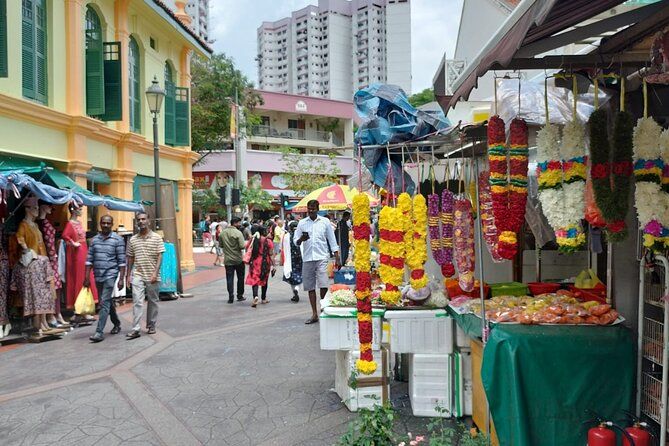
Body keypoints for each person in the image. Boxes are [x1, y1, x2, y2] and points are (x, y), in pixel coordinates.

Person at [294, 200, 340, 324]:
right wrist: (301, 239)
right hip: (308, 258)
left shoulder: (325, 222)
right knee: (310, 287)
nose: (311, 210)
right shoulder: (302, 223)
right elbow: (295, 241)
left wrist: (337, 256)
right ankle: (314, 314)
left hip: (322, 257)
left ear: (318, 208)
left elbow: (332, 239)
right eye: (309, 208)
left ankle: (323, 309)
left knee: (323, 284)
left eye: (313, 208)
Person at [85, 215, 126, 343]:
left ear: (112, 224)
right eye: (103, 223)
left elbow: (122, 262)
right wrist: (86, 277)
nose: (106, 225)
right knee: (107, 300)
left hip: (111, 274)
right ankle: (117, 323)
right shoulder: (94, 240)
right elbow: (89, 260)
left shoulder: (118, 240)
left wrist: (121, 279)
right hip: (98, 274)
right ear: (100, 224)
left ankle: (99, 332)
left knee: (104, 302)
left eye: (108, 223)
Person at [126, 212, 165, 339]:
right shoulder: (133, 239)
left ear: (148, 221)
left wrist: (155, 273)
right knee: (137, 301)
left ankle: (151, 324)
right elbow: (130, 258)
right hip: (138, 274)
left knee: (153, 301)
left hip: (153, 275)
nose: (141, 221)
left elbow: (160, 256)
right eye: (139, 220)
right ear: (136, 222)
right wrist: (128, 275)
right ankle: (136, 328)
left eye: (143, 219)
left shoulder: (156, 238)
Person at [245, 225, 275, 308]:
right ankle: (263, 298)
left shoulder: (253, 239)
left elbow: (247, 247)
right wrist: (273, 265)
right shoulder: (268, 241)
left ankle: (255, 297)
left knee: (255, 280)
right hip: (265, 262)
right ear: (264, 232)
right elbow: (271, 254)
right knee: (264, 279)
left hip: (255, 262)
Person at [220, 217, 246, 303]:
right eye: (239, 223)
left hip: (228, 260)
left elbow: (221, 245)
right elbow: (242, 246)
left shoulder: (222, 233)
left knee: (229, 278)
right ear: (235, 223)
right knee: (240, 277)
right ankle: (240, 295)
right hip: (238, 259)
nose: (240, 225)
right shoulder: (238, 233)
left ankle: (231, 296)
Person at [282, 220, 302, 303]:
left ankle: (294, 292)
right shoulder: (300, 236)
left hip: (290, 258)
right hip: (300, 258)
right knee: (300, 275)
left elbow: (282, 246)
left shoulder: (286, 236)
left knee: (291, 275)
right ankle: (297, 289)